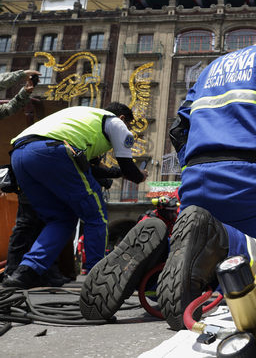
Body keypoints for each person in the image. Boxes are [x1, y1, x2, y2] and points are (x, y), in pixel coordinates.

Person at [79, 19, 256, 330]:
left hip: (196, 179)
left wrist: (196, 169)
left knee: (211, 263)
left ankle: (159, 256)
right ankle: (219, 240)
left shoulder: (211, 68)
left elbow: (179, 130)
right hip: (254, 178)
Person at [2, 102, 149, 289]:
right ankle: (98, 278)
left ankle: (27, 271)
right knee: (95, 215)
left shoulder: (80, 116)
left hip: (20, 155)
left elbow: (89, 168)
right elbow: (128, 167)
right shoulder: (115, 122)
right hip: (54, 152)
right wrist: (139, 175)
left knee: (61, 219)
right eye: (128, 125)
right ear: (122, 119)